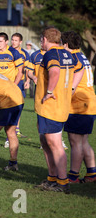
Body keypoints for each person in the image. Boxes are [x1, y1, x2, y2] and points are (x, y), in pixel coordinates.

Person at [34, 27, 83, 194]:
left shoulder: (50, 54)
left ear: (45, 40)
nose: (41, 43)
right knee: (45, 141)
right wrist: (71, 90)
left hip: (51, 107)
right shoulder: (67, 53)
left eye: (41, 40)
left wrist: (49, 92)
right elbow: (80, 68)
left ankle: (62, 182)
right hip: (60, 105)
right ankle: (52, 178)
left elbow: (54, 72)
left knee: (54, 144)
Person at [61, 31, 96, 184]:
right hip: (89, 102)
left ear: (66, 44)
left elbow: (70, 84)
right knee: (83, 141)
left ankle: (73, 176)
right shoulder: (81, 55)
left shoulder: (72, 58)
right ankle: (92, 173)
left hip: (78, 104)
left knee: (75, 141)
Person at [0, 32, 24, 148]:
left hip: (9, 90)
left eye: (1, 41)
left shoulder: (13, 53)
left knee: (9, 116)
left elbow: (20, 72)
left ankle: (9, 139)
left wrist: (14, 86)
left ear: (6, 42)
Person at [10, 33, 30, 138]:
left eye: (16, 40)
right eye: (12, 40)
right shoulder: (7, 51)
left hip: (20, 83)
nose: (13, 42)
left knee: (18, 106)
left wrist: (27, 81)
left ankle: (17, 129)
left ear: (20, 42)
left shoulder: (25, 53)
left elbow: (26, 69)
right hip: (8, 82)